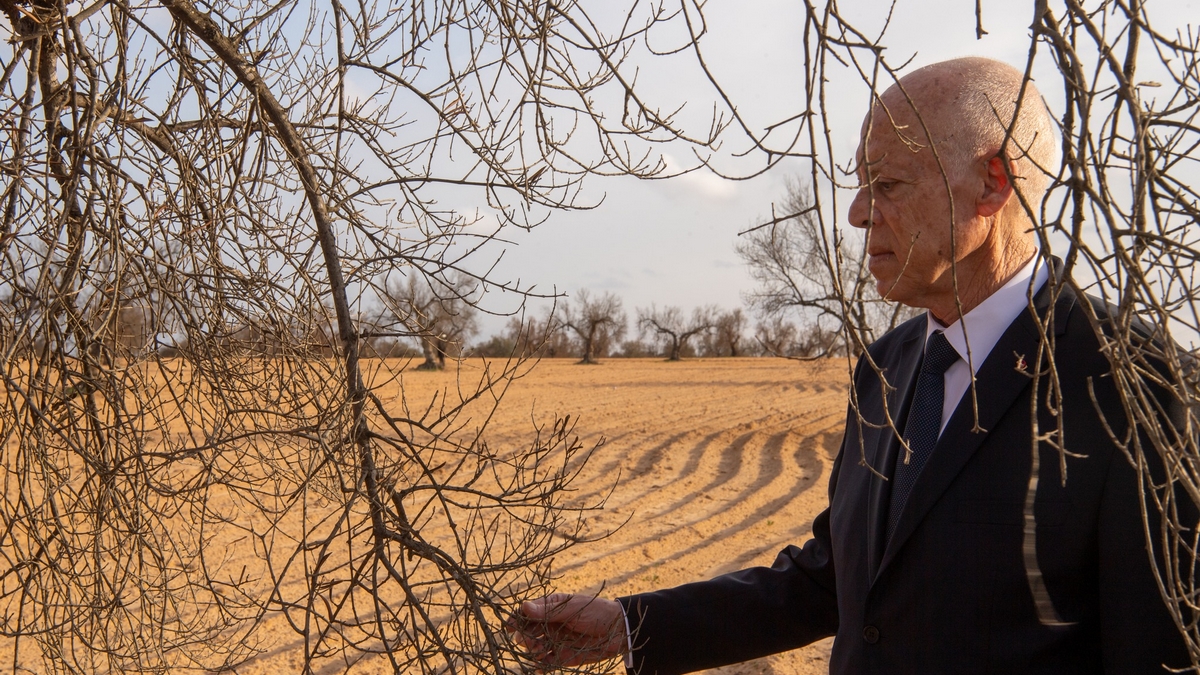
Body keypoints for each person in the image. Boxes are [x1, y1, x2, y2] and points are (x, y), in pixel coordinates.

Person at [510, 57, 1192, 674]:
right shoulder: (887, 366)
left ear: (992, 183)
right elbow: (835, 581)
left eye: (887, 184)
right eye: (862, 184)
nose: (859, 213)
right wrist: (629, 623)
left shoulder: (1139, 388)